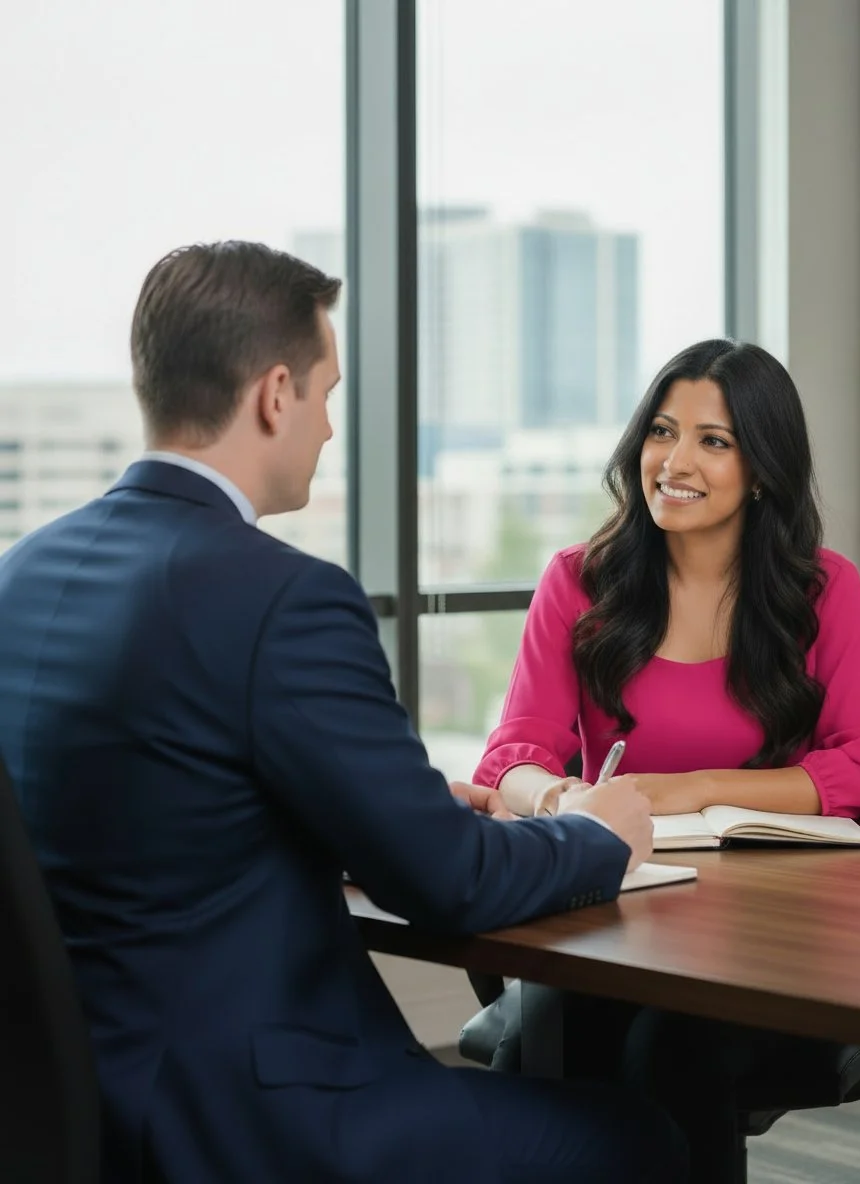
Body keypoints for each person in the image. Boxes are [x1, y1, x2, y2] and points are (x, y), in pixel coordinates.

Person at [0, 241, 687, 1184]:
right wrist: (600, 835)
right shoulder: (284, 598)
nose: (328, 428)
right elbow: (447, 883)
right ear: (275, 394)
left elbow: (163, 801)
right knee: (645, 1143)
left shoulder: (22, 575)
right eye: (326, 394)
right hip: (254, 1120)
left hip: (76, 1106)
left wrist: (406, 797)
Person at [472, 337, 860, 1183]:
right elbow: (512, 755)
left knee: (668, 1047)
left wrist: (695, 787)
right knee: (560, 1031)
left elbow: (858, 767)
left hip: (775, 935)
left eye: (713, 441)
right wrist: (560, 798)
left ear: (762, 469)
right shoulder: (579, 581)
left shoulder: (826, 592)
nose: (674, 461)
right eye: (660, 431)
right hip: (621, 914)